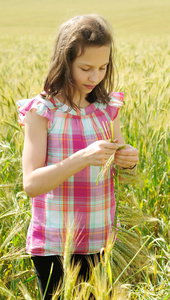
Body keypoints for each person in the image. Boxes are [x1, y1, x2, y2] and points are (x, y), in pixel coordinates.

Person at [17, 14, 139, 299]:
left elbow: (123, 168)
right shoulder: (42, 112)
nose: (95, 77)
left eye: (103, 67)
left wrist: (129, 159)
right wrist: (82, 157)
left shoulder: (108, 109)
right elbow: (31, 184)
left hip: (100, 240)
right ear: (65, 61)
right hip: (53, 244)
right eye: (85, 68)